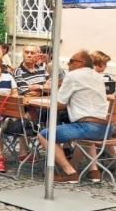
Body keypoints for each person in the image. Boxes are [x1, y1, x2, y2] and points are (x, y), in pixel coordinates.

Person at [37, 50, 108, 184]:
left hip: (87, 127)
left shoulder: (73, 76)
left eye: (71, 61)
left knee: (44, 135)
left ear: (81, 63)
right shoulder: (98, 76)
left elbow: (60, 103)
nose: (68, 64)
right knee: (86, 136)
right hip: (105, 128)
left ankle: (70, 172)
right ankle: (94, 171)